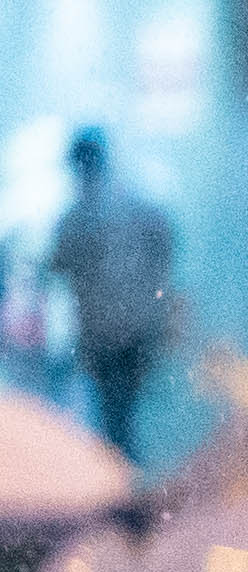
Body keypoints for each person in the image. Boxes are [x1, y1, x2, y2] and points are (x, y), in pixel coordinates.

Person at [43, 132, 177, 457]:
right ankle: (126, 475)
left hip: (108, 338)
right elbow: (165, 244)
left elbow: (56, 264)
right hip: (132, 333)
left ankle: (121, 476)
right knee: (121, 419)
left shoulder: (76, 217)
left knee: (114, 420)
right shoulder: (135, 206)